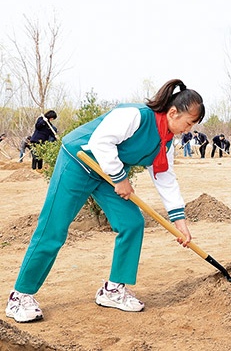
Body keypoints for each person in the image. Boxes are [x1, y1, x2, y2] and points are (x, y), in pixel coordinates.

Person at [5, 79, 204, 323]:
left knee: (131, 223)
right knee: (53, 227)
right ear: (173, 112)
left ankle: (113, 290)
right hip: (78, 162)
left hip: (107, 174)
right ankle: (20, 295)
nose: (188, 129)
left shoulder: (166, 141)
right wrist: (121, 179)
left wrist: (180, 221)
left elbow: (165, 177)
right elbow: (100, 141)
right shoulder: (136, 115)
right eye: (189, 123)